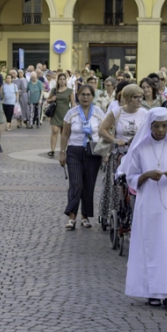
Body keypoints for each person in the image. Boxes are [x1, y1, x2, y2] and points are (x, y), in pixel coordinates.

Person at [118, 111, 167, 308]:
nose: (160, 130)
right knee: (150, 246)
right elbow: (130, 177)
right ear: (150, 126)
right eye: (156, 126)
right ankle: (152, 292)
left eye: (164, 126)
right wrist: (146, 175)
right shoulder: (140, 147)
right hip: (148, 204)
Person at [61, 83, 104, 230]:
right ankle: (71, 216)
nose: (85, 97)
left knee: (88, 185)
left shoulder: (99, 112)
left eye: (88, 95)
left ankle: (85, 215)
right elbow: (65, 134)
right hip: (74, 150)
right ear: (78, 96)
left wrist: (105, 152)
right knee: (76, 183)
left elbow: (104, 131)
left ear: (93, 97)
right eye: (83, 94)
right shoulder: (71, 113)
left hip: (93, 151)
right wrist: (62, 152)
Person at [47, 75, 74, 158]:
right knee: (54, 131)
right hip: (55, 113)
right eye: (60, 79)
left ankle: (63, 150)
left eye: (63, 79)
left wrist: (73, 114)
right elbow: (47, 100)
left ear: (66, 81)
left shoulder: (70, 91)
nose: (62, 81)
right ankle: (52, 150)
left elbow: (73, 103)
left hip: (65, 114)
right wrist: (52, 99)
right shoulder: (54, 90)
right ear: (58, 81)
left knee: (63, 133)